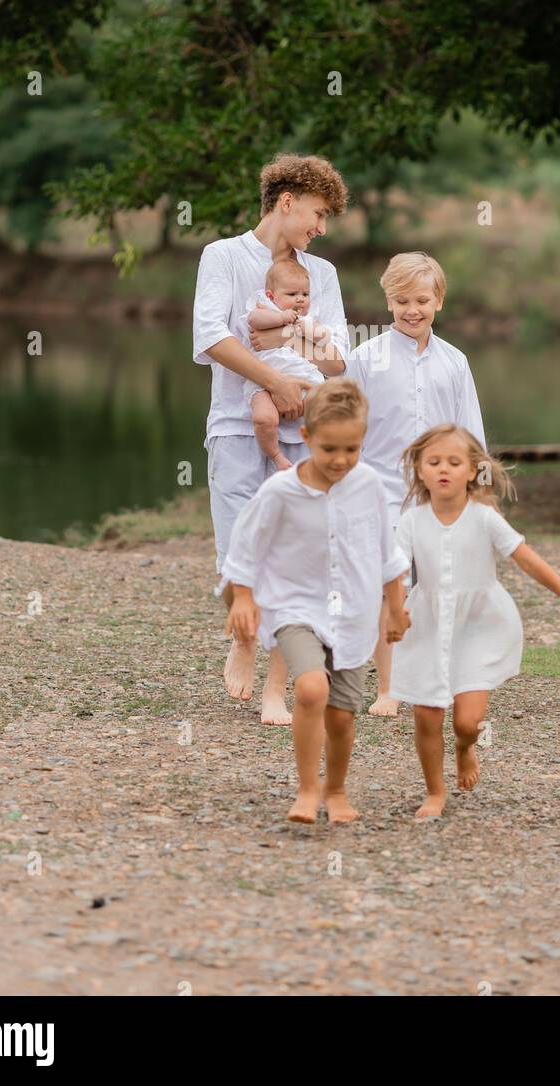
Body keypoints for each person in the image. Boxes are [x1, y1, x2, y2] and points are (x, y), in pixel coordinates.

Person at [193, 153, 349, 723]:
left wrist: (287, 352)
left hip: (304, 431)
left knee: (298, 551)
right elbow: (212, 336)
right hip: (237, 425)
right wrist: (273, 377)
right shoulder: (224, 257)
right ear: (286, 202)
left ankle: (277, 688)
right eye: (318, 213)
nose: (321, 227)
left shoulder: (322, 275)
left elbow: (337, 361)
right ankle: (242, 637)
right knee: (238, 545)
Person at [388, 423, 560, 820]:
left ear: (473, 471)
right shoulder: (411, 521)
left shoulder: (484, 518)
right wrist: (395, 609)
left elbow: (527, 559)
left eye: (455, 462)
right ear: (419, 469)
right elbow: (397, 572)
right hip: (427, 625)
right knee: (427, 714)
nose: (444, 469)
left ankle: (465, 746)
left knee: (467, 721)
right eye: (434, 462)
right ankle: (435, 791)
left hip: (479, 627)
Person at [222, 380, 411, 823]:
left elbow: (388, 556)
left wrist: (397, 609)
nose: (341, 460)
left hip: (354, 614)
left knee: (343, 716)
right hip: (295, 606)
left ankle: (337, 790)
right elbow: (245, 547)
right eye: (330, 449)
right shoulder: (279, 492)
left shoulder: (367, 486)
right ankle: (307, 790)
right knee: (310, 688)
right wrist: (243, 598)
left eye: (353, 449)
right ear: (306, 438)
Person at [346, 251, 485, 716]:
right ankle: (388, 687)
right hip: (381, 493)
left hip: (442, 497)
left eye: (422, 300)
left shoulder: (455, 363)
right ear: (388, 302)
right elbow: (348, 431)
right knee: (394, 589)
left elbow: (471, 434)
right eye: (402, 300)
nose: (412, 310)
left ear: (439, 301)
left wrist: (477, 496)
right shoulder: (365, 359)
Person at [243, 257, 339, 470]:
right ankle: (276, 456)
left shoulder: (307, 320)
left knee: (330, 411)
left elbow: (323, 338)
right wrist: (281, 319)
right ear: (271, 296)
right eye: (292, 294)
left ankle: (329, 454)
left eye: (305, 294)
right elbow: (253, 321)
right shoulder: (264, 308)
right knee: (263, 419)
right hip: (263, 382)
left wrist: (298, 330)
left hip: (305, 381)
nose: (300, 300)